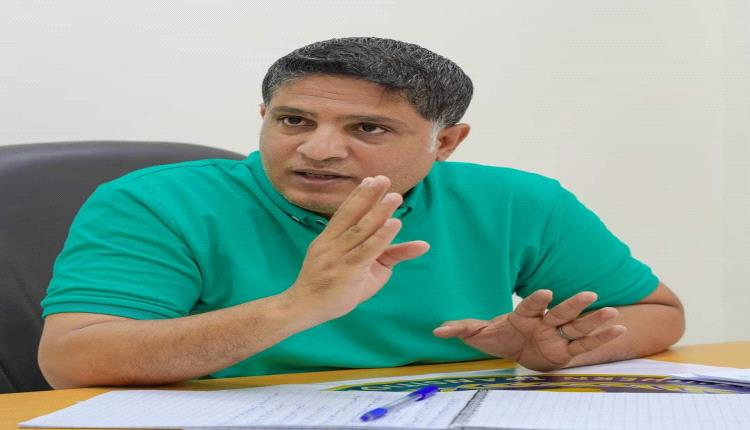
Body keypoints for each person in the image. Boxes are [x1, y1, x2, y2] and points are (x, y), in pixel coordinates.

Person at [38, 37, 684, 389]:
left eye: (367, 128)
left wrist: (560, 350)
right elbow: (73, 360)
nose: (318, 149)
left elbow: (657, 313)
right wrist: (297, 307)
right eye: (294, 121)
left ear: (446, 143)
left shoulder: (518, 201)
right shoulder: (154, 201)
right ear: (264, 117)